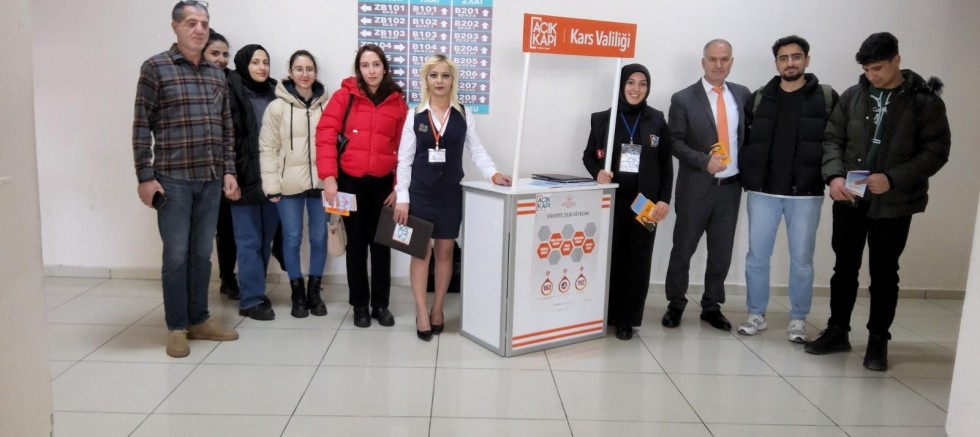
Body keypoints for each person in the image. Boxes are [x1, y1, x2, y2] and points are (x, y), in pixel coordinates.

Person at [805, 32, 950, 371]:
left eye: (878, 68)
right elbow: (832, 139)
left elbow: (936, 152)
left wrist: (893, 178)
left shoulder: (924, 102)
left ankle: (877, 340)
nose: (871, 76)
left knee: (884, 272)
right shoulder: (853, 96)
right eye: (866, 70)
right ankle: (837, 330)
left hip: (894, 202)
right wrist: (834, 177)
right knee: (844, 266)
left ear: (897, 60)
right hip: (850, 197)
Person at [132, 0, 239, 358]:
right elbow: (141, 125)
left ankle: (199, 319)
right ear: (175, 27)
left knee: (202, 254)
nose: (199, 29)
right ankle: (177, 326)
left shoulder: (216, 74)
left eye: (204, 23)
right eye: (191, 23)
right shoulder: (156, 68)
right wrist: (145, 176)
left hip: (210, 178)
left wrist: (228, 170)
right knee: (176, 255)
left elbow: (226, 128)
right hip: (173, 179)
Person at [393, 54, 512, 341]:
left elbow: (477, 150)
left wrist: (493, 174)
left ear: (452, 80)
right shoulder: (414, 115)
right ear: (426, 80)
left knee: (445, 252)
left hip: (449, 194)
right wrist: (402, 197)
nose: (439, 81)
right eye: (434, 75)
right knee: (420, 252)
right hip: (419, 194)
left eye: (445, 75)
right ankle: (421, 312)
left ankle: (437, 309)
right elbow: (404, 159)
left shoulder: (463, 114)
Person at [737, 36, 839, 343]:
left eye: (796, 57)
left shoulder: (826, 97)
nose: (790, 63)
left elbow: (836, 140)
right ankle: (756, 314)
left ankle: (798, 319)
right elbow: (745, 140)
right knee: (757, 256)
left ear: (807, 60)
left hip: (805, 193)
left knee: (802, 260)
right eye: (784, 58)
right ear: (776, 63)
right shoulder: (759, 97)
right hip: (763, 192)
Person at [316, 44, 408, 328]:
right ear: (359, 69)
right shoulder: (344, 97)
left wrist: (399, 187)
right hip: (349, 182)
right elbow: (325, 135)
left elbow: (405, 150)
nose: (371, 71)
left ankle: (380, 305)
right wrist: (329, 178)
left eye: (376, 64)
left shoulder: (397, 103)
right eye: (365, 65)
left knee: (382, 245)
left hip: (383, 185)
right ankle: (359, 305)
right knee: (356, 245)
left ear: (385, 68)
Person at [662, 39, 751, 331]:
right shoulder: (683, 98)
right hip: (695, 187)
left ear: (731, 62)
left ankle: (712, 306)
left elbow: (748, 138)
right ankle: (676, 303)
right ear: (703, 62)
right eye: (713, 59)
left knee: (721, 251)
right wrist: (704, 161)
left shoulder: (743, 95)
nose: (718, 65)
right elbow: (674, 141)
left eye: (724, 59)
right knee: (683, 248)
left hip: (730, 188)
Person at [582, 64, 673, 341]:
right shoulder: (602, 119)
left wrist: (664, 199)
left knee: (637, 260)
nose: (636, 89)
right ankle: (604, 314)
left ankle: (626, 319)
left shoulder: (656, 119)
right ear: (621, 86)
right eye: (630, 82)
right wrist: (597, 173)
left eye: (642, 84)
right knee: (610, 257)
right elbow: (588, 155)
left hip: (645, 204)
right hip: (611, 200)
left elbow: (666, 164)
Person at [259, 50, 330, 318]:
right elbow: (268, 148)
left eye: (309, 68)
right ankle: (297, 291)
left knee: (319, 237)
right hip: (288, 185)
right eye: (299, 69)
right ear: (290, 72)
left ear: (316, 72)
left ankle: (315, 291)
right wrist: (271, 185)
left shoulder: (328, 105)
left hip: (321, 184)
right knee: (291, 237)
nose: (304, 74)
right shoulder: (277, 107)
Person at [227, 44, 279, 320]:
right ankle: (250, 300)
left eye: (265, 62)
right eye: (256, 62)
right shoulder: (230, 91)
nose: (262, 67)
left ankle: (255, 288)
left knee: (265, 239)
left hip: (271, 179)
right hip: (243, 177)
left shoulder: (275, 92)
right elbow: (226, 138)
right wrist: (229, 175)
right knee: (248, 241)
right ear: (244, 64)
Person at [202, 29, 238, 299]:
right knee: (200, 232)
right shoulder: (191, 80)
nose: (222, 59)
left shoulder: (233, 82)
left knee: (227, 229)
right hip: (197, 168)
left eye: (226, 54)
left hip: (228, 166)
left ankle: (228, 278)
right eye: (215, 53)